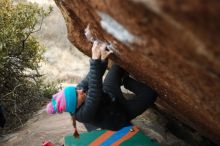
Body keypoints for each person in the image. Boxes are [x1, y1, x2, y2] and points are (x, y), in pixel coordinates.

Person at [46, 41, 158, 137]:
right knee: (151, 94)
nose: (80, 91)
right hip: (122, 113)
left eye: (75, 90)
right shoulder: (83, 115)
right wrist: (94, 61)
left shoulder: (79, 91)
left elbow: (92, 76)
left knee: (119, 65)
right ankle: (126, 82)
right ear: (75, 106)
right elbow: (94, 92)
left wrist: (103, 60)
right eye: (76, 94)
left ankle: (124, 79)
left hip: (109, 94)